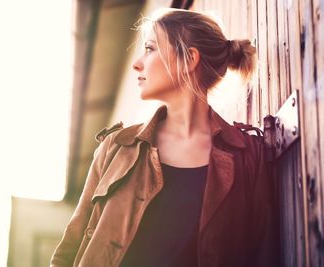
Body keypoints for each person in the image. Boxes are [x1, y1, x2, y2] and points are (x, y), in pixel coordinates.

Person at [50, 7, 279, 267]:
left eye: (149, 48)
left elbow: (264, 254)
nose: (137, 62)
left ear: (189, 59)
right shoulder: (117, 147)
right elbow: (69, 250)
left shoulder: (246, 154)